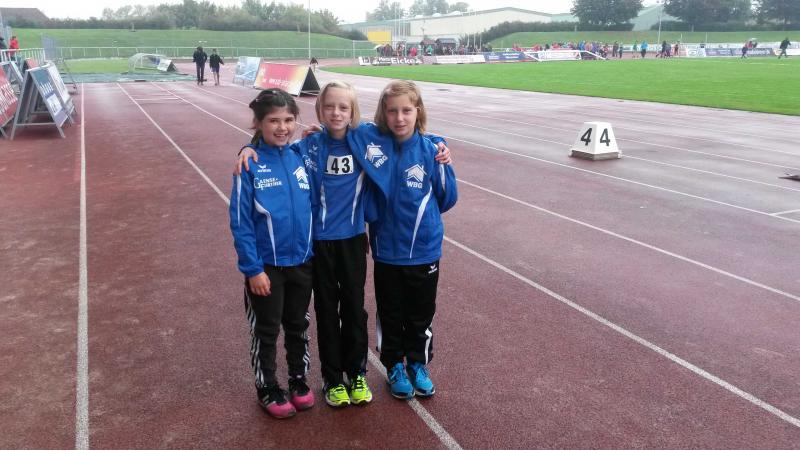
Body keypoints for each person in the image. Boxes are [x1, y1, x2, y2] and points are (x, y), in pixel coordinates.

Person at [235, 82, 452, 406]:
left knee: (354, 310)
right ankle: (333, 379)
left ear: (353, 112)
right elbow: (274, 150)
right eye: (329, 106)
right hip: (319, 245)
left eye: (343, 107)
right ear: (319, 110)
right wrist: (247, 147)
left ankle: (358, 373)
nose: (336, 113)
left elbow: (405, 134)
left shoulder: (365, 138)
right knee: (325, 312)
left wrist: (437, 141)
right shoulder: (307, 146)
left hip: (352, 241)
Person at [349, 80, 457, 400]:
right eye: (392, 111)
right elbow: (345, 129)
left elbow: (447, 197)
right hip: (387, 251)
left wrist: (438, 144)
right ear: (383, 113)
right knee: (391, 312)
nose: (399, 118)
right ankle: (395, 365)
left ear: (417, 111)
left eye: (406, 111)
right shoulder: (374, 143)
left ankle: (418, 364)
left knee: (421, 313)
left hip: (424, 249)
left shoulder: (432, 151)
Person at [229, 88, 316, 419]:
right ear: (258, 123)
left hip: (302, 263)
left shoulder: (299, 156)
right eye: (274, 121)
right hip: (266, 268)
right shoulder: (249, 164)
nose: (283, 127)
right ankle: (267, 386)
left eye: (289, 120)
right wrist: (252, 269)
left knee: (298, 325)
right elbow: (241, 222)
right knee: (266, 330)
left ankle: (298, 379)